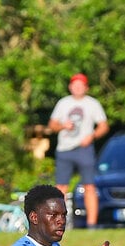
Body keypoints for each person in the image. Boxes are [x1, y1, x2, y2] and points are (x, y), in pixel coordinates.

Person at [48, 73, 109, 228]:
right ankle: (56, 224)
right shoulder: (63, 103)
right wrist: (63, 126)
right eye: (75, 85)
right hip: (65, 149)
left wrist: (92, 136)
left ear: (86, 88)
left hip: (84, 149)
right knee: (60, 188)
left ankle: (91, 225)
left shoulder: (92, 104)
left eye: (81, 85)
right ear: (70, 87)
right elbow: (52, 125)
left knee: (89, 186)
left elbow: (103, 126)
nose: (78, 88)